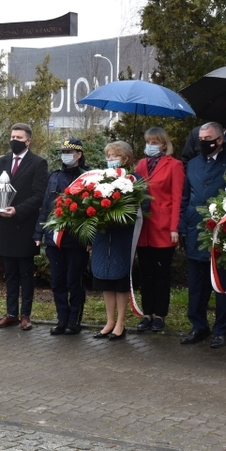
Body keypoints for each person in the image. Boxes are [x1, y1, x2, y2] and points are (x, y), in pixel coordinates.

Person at [179, 122, 226, 348]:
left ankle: (221, 329)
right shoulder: (193, 164)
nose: (202, 142)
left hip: (222, 233)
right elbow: (185, 197)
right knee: (197, 286)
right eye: (200, 137)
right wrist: (181, 226)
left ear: (219, 140)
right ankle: (198, 326)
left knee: (223, 285)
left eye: (207, 138)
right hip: (195, 230)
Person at [0, 123, 48, 331]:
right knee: (10, 274)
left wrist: (17, 210)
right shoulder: (1, 161)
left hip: (24, 226)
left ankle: (25, 315)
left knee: (25, 273)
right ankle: (11, 313)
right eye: (12, 137)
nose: (14, 140)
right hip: (4, 227)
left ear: (28, 141)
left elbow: (39, 195)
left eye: (19, 138)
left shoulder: (38, 163)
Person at [34, 138, 90, 335]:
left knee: (74, 281)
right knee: (57, 282)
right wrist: (38, 232)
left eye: (69, 151)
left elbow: (93, 213)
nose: (65, 154)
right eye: (63, 151)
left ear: (79, 155)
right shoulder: (54, 176)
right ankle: (62, 318)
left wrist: (90, 240)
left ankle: (74, 320)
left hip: (76, 239)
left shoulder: (88, 177)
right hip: (54, 239)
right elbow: (46, 206)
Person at [133, 127, 184, 334]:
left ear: (163, 144)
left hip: (163, 228)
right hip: (143, 227)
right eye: (148, 142)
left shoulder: (175, 165)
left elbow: (177, 197)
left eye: (154, 142)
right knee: (145, 274)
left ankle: (160, 315)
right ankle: (147, 313)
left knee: (161, 274)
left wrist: (175, 227)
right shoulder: (141, 164)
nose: (150, 146)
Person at [91, 141, 139, 341]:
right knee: (105, 279)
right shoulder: (100, 178)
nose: (110, 159)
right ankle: (109, 321)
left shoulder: (134, 179)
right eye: (108, 155)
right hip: (103, 236)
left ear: (125, 158)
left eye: (114, 156)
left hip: (122, 236)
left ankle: (121, 322)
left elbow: (137, 208)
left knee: (120, 281)